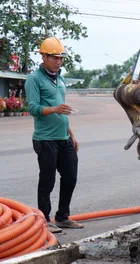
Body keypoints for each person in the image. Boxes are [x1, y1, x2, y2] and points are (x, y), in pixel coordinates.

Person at [25, 37, 84, 233]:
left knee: (70, 176)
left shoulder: (59, 78)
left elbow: (62, 111)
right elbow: (33, 108)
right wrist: (55, 109)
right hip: (45, 139)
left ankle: (62, 217)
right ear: (44, 56)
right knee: (47, 180)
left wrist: (71, 134)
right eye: (54, 58)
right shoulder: (34, 79)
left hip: (63, 137)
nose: (58, 62)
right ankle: (44, 219)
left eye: (61, 58)